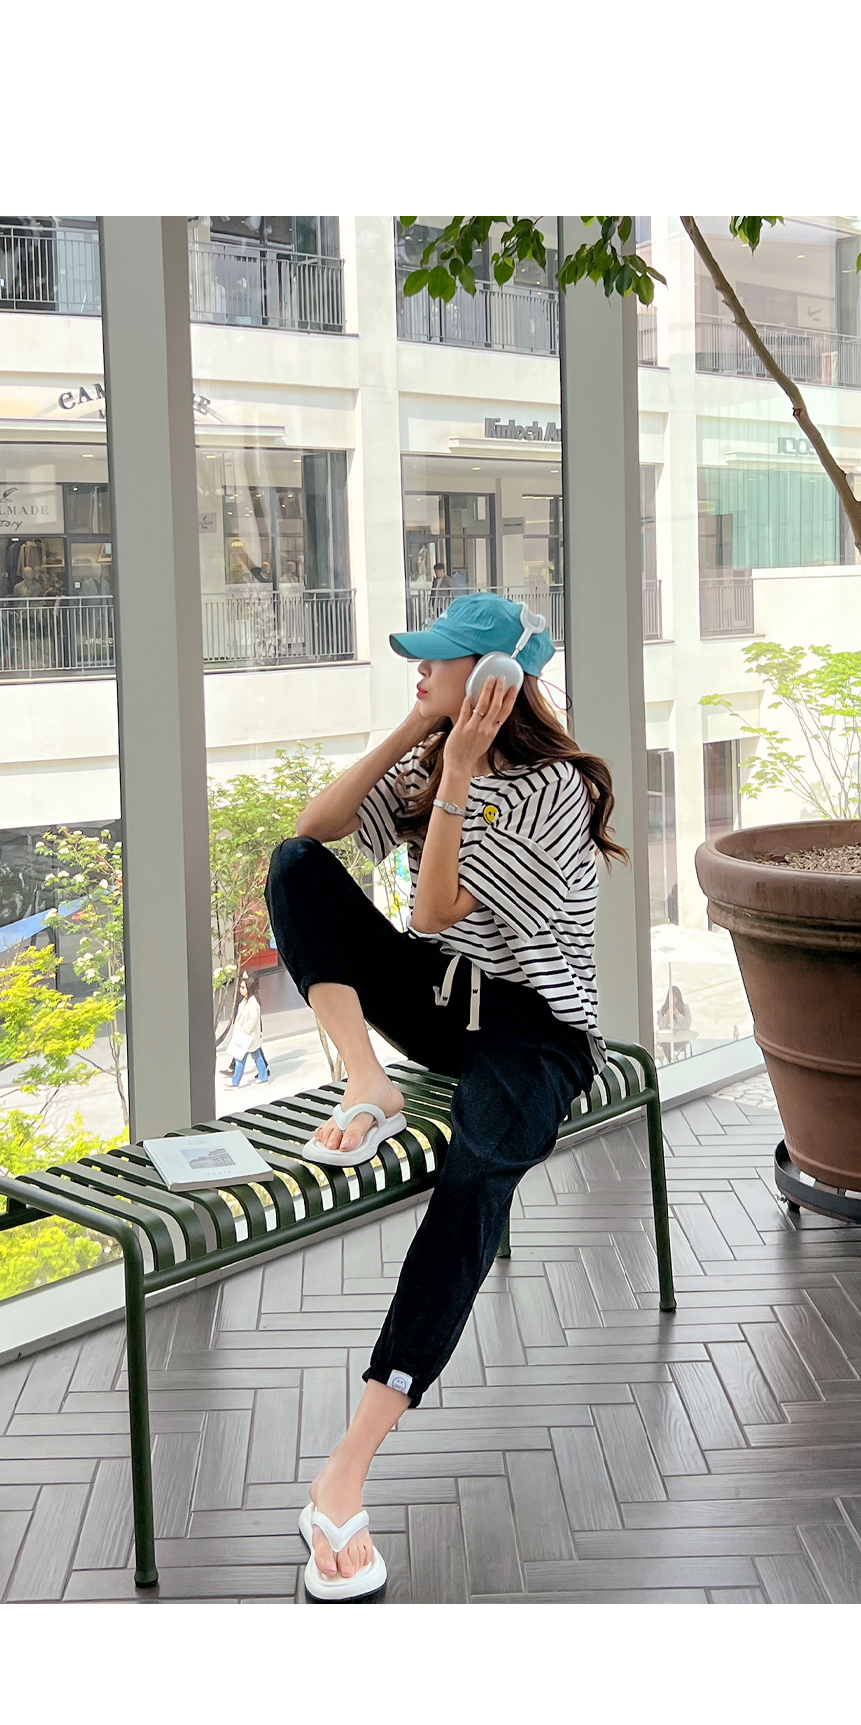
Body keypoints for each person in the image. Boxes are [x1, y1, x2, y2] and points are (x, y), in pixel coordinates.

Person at [265, 592, 626, 1600]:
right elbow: (316, 829)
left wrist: (459, 769)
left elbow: (429, 910)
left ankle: (347, 1464)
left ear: (499, 679)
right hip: (443, 1002)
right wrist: (420, 729)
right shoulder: (433, 752)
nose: (419, 671)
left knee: (472, 1181)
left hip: (536, 1032)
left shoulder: (555, 788)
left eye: (437, 662)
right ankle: (366, 1075)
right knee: (294, 868)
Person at [226, 972, 270, 1087]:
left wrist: (245, 1030)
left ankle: (235, 1083)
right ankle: (263, 1076)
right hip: (247, 1037)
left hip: (247, 1037)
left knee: (240, 1059)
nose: (240, 989)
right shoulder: (246, 1000)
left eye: (243, 987)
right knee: (256, 1056)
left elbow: (253, 1019)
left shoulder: (253, 1002)